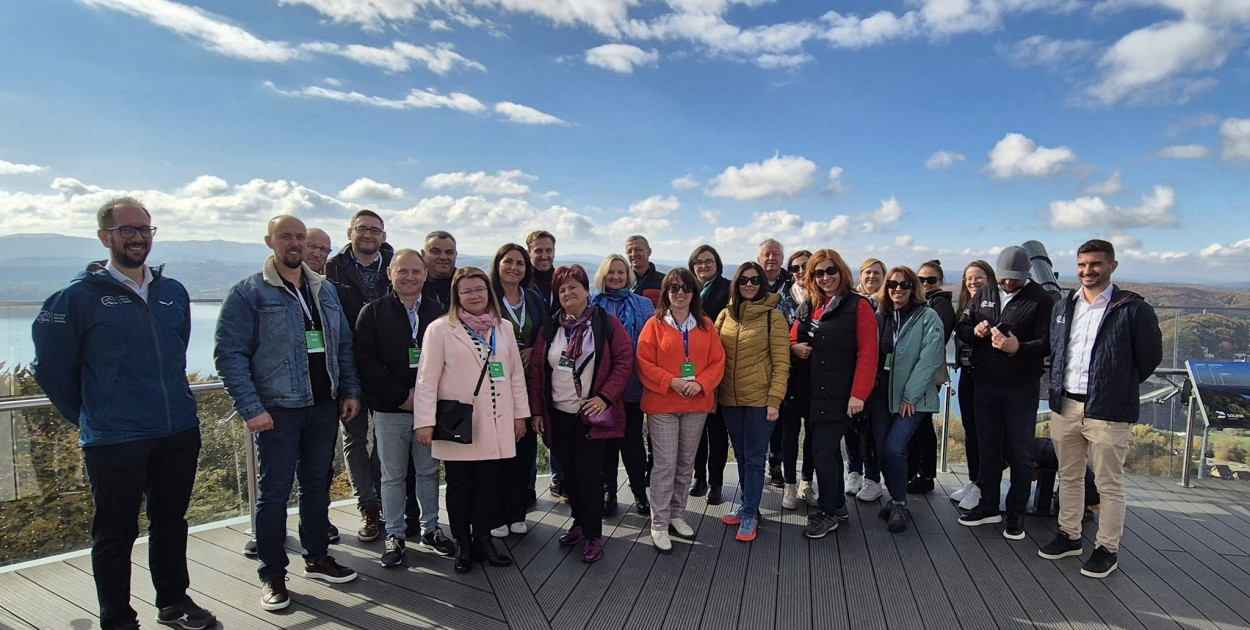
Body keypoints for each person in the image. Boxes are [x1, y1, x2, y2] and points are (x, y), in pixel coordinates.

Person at [33, 197, 216, 630]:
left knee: (171, 522)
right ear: (105, 237)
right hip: (114, 438)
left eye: (144, 230)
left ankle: (174, 602)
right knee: (115, 533)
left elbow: (177, 349)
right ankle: (117, 618)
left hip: (177, 429)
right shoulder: (75, 298)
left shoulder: (172, 292)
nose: (137, 238)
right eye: (127, 230)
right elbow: (52, 369)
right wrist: (94, 414)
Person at [215, 215, 361, 612]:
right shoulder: (249, 293)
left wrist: (349, 390)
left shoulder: (325, 290)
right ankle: (273, 575)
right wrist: (251, 408)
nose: (296, 244)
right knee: (274, 494)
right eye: (287, 237)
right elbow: (229, 356)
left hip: (324, 405)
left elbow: (342, 345)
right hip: (277, 411)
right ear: (270, 241)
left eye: (301, 237)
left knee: (317, 485)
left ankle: (316, 557)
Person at [1038, 239, 1162, 578]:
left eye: (1095, 264)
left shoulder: (1133, 309)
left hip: (1107, 409)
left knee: (1108, 482)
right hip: (1066, 404)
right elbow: (1057, 350)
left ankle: (1107, 547)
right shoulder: (1064, 307)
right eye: (1082, 265)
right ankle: (1070, 535)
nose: (1087, 271)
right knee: (1070, 475)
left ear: (1112, 266)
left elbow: (1149, 359)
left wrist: (1116, 386)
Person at [414, 267, 529, 574]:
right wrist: (424, 422)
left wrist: (521, 416)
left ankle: (484, 539)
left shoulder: (503, 328)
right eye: (466, 291)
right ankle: (463, 543)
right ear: (457, 296)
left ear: (488, 292)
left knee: (490, 485)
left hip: (496, 421)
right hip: (460, 424)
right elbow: (426, 379)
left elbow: (516, 376)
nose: (474, 296)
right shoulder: (440, 329)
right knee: (460, 486)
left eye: (479, 289)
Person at [354, 249, 457, 567]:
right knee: (392, 476)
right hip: (389, 411)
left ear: (425, 274)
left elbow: (449, 361)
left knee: (428, 472)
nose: (410, 277)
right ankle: (395, 534)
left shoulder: (439, 313)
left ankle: (430, 529)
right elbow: (367, 364)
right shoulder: (371, 313)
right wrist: (402, 396)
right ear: (390, 274)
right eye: (403, 271)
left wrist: (425, 398)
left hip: (429, 411)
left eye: (416, 271)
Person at [528, 265, 635, 562]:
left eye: (573, 287)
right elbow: (538, 373)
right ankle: (578, 523)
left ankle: (594, 534)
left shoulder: (605, 324)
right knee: (570, 476)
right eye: (562, 290)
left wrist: (604, 396)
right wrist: (537, 411)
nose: (567, 293)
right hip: (559, 414)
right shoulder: (551, 328)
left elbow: (625, 361)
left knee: (589, 475)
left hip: (591, 415)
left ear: (587, 291)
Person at [956, 246, 1054, 540]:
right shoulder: (985, 293)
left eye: (1015, 279)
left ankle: (1015, 514)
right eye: (1004, 278)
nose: (1008, 283)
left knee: (1020, 452)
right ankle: (988, 506)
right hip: (985, 383)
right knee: (989, 449)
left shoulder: (1041, 300)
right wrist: (975, 332)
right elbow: (962, 327)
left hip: (1021, 387)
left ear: (1025, 275)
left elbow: (1049, 343)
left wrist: (1018, 349)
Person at [636, 268, 726, 553]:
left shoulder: (705, 325)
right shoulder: (654, 325)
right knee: (664, 465)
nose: (679, 293)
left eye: (685, 288)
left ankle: (677, 514)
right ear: (666, 292)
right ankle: (659, 523)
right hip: (663, 404)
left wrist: (701, 384)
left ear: (693, 293)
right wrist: (671, 381)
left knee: (686, 464)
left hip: (695, 404)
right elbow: (644, 362)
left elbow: (718, 361)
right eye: (673, 288)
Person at [792, 250, 878, 539]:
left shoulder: (859, 306)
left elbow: (869, 353)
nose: (825, 277)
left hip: (841, 395)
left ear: (841, 272)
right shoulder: (809, 306)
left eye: (831, 271)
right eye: (818, 273)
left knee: (823, 450)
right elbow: (794, 336)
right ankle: (838, 505)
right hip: (812, 393)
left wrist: (859, 394)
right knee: (825, 451)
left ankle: (828, 511)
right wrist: (794, 347)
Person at [325, 209, 393, 543]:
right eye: (362, 229)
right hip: (348, 366)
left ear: (383, 235)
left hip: (386, 369)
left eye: (375, 230)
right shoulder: (332, 269)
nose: (368, 235)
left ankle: (385, 501)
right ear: (350, 232)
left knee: (384, 437)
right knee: (354, 438)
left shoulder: (394, 267)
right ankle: (367, 505)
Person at [716, 262, 791, 541]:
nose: (750, 284)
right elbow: (712, 353)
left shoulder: (774, 318)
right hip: (730, 400)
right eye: (744, 280)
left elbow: (782, 364)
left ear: (763, 284)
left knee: (755, 458)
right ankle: (748, 506)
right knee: (743, 455)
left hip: (761, 400)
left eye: (755, 280)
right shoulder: (725, 315)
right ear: (736, 284)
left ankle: (749, 513)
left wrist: (774, 400)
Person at [870, 266, 946, 533]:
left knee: (895, 448)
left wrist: (909, 395)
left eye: (904, 285)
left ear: (914, 288)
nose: (898, 290)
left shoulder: (927, 317)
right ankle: (895, 495)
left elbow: (930, 358)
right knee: (881, 450)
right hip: (881, 395)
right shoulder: (881, 316)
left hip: (913, 398)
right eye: (892, 285)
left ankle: (900, 503)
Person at [490, 243, 549, 536]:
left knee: (523, 448)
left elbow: (546, 332)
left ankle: (516, 511)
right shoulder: (487, 298)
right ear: (498, 264)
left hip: (528, 384)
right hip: (495, 384)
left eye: (520, 263)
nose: (514, 267)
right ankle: (496, 513)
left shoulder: (534, 299)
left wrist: (533, 351)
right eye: (508, 261)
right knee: (497, 450)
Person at [592, 254, 657, 515]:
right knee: (606, 441)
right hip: (601, 386)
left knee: (632, 441)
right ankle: (609, 491)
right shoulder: (592, 304)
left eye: (621, 272)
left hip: (632, 385)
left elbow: (651, 342)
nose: (616, 277)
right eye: (611, 272)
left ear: (628, 275)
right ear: (603, 275)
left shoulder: (643, 304)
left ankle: (639, 491)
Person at [906, 259, 956, 495]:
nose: (925, 283)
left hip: (925, 375)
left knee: (921, 424)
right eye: (921, 279)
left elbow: (934, 343)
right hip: (916, 373)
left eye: (931, 279)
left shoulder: (940, 306)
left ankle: (925, 475)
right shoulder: (924, 304)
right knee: (917, 424)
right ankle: (916, 471)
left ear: (941, 281)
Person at [949, 260, 996, 510]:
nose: (973, 282)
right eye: (968, 278)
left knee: (984, 433)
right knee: (970, 431)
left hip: (985, 378)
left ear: (990, 279)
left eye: (979, 277)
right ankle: (974, 480)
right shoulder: (966, 306)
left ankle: (984, 486)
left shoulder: (995, 307)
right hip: (968, 373)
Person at [689, 244, 730, 504]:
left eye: (709, 261)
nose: (704, 266)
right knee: (696, 427)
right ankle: (698, 476)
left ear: (717, 264)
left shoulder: (727, 289)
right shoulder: (688, 290)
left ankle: (715, 481)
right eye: (699, 262)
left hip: (718, 365)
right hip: (691, 367)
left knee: (716, 429)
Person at [778, 250, 817, 508]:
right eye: (795, 267)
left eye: (805, 266)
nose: (800, 271)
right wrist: (791, 349)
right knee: (789, 432)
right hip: (788, 373)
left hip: (817, 375)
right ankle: (789, 485)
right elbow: (773, 336)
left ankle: (807, 483)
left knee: (813, 433)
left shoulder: (824, 298)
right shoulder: (780, 299)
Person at [759, 238, 790, 485]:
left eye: (776, 254)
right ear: (759, 258)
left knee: (779, 414)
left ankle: (776, 463)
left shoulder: (793, 283)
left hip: (786, 354)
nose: (771, 258)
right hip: (756, 358)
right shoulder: (751, 282)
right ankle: (756, 464)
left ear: (783, 258)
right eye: (767, 254)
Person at [422, 231, 458, 310]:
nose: (443, 257)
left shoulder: (467, 283)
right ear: (423, 254)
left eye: (449, 252)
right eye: (435, 252)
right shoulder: (413, 284)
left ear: (456, 255)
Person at [626, 235, 664, 307]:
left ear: (649, 252)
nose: (633, 254)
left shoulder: (664, 281)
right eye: (629, 251)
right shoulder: (621, 281)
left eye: (638, 250)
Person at [527, 230, 557, 308]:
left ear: (554, 252)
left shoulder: (562, 280)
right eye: (538, 251)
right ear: (529, 253)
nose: (544, 256)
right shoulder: (523, 282)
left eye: (548, 250)